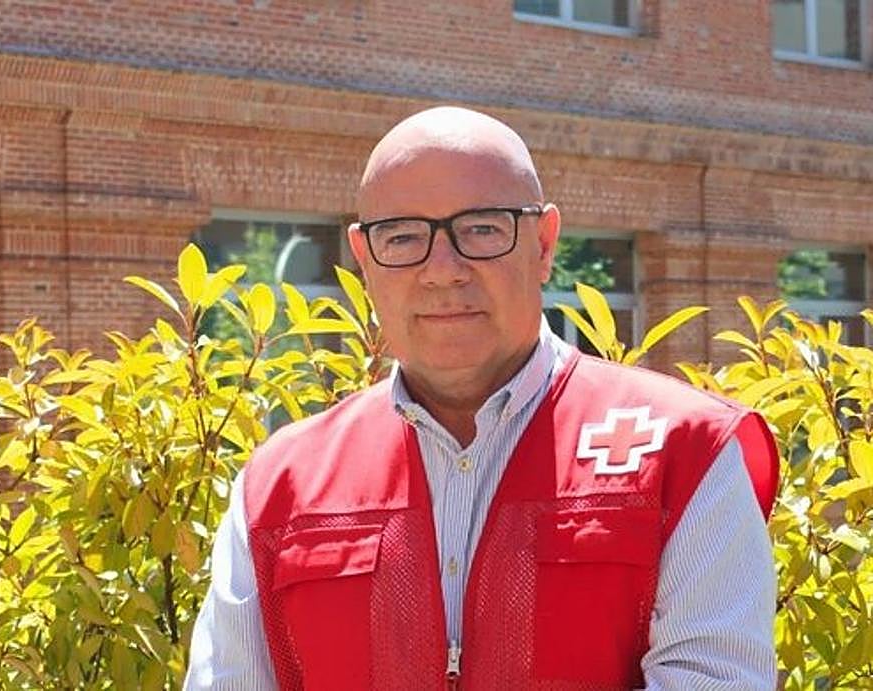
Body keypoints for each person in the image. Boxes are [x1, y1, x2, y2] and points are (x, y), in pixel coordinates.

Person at [184, 106, 779, 690]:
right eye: (403, 236)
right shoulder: (281, 486)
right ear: (364, 259)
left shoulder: (686, 452)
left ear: (544, 243)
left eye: (482, 229)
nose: (443, 270)